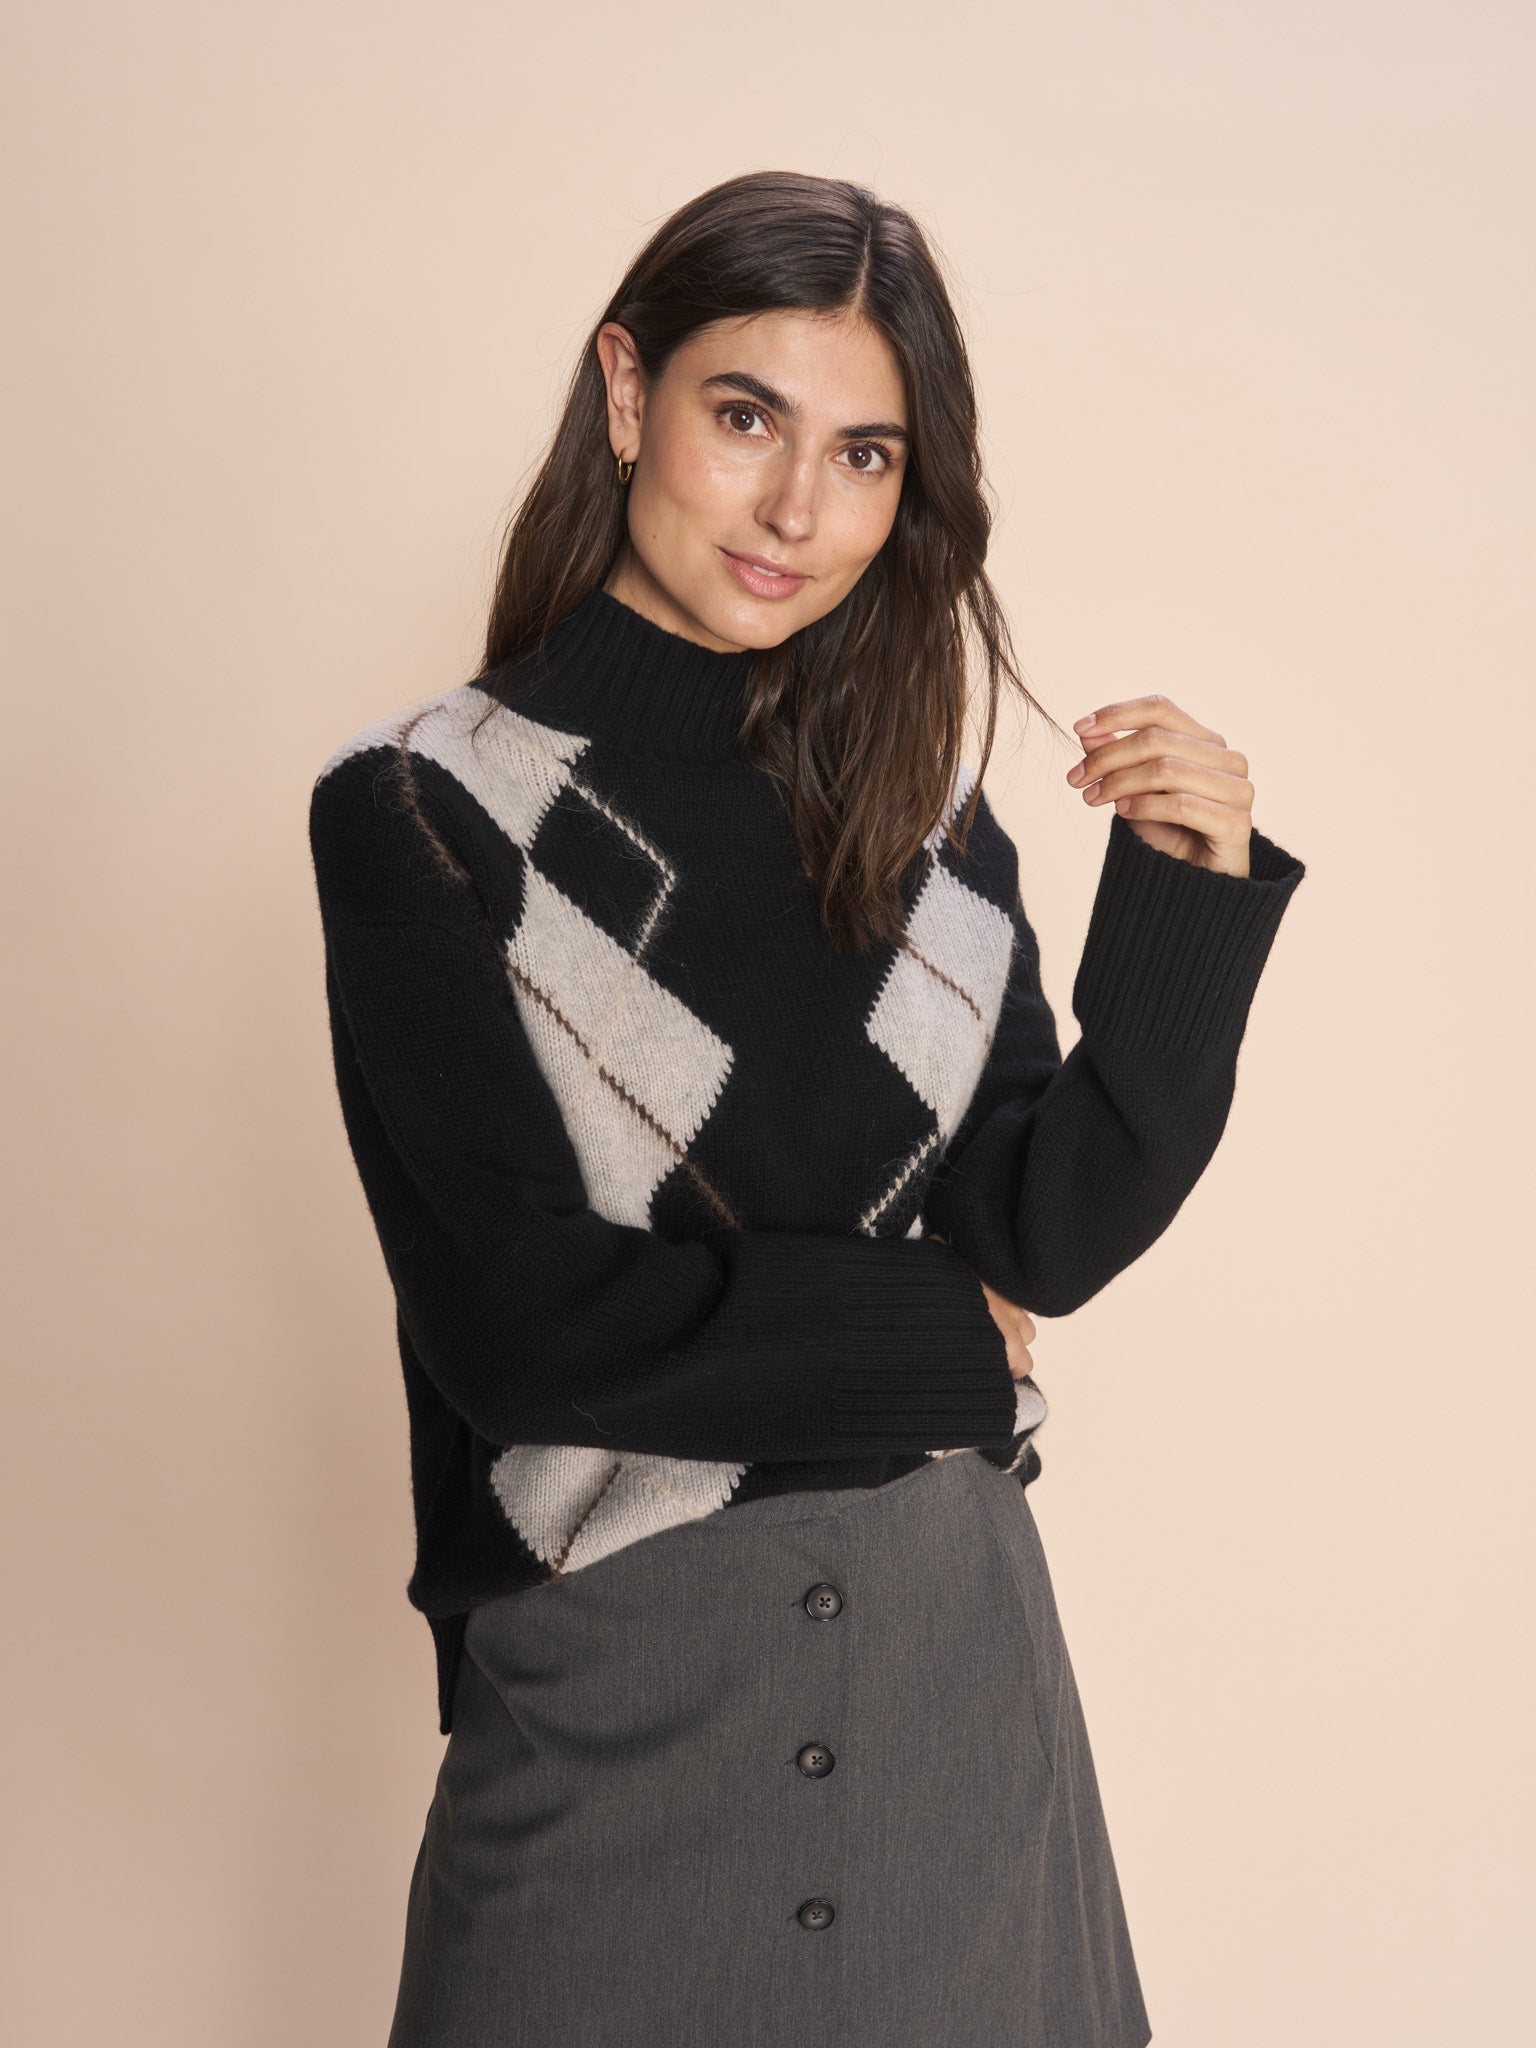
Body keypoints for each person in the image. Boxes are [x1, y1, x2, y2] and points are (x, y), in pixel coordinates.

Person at [307, 169, 1305, 2048]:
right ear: (628, 392)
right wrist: (946, 1344)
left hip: (957, 1695)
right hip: (613, 1702)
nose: (796, 511)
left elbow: (1039, 1235)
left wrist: (1186, 911)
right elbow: (524, 1331)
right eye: (746, 417)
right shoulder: (426, 810)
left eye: (864, 456)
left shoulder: (920, 810)